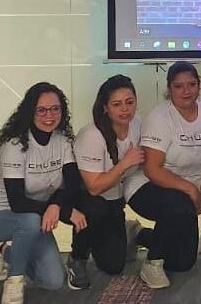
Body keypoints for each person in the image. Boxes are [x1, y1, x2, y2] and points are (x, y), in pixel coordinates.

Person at [0, 82, 87, 304]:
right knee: (28, 221)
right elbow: (17, 203)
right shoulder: (15, 145)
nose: (49, 115)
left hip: (37, 217)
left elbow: (73, 184)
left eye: (55, 109)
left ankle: (4, 251)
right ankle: (14, 280)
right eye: (42, 110)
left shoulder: (62, 140)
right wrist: (62, 210)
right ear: (30, 112)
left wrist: (57, 207)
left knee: (54, 281)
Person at [127, 62, 201, 289]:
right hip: (147, 187)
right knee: (177, 202)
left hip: (187, 196)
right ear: (169, 89)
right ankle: (152, 264)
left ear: (199, 85)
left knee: (183, 262)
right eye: (179, 86)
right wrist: (192, 191)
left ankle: (138, 234)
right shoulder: (160, 117)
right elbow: (152, 169)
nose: (186, 91)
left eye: (191, 84)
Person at [68, 74, 147, 290]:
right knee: (95, 208)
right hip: (87, 201)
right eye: (117, 104)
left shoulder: (137, 125)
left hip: (115, 200)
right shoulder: (91, 135)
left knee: (114, 265)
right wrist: (124, 163)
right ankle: (78, 257)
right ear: (105, 108)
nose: (125, 109)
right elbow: (94, 187)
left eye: (129, 102)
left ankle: (130, 231)